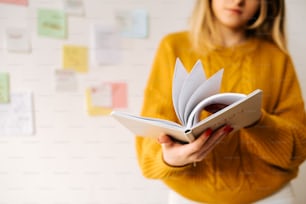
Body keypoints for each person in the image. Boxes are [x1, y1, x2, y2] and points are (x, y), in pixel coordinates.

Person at [135, 0, 306, 203]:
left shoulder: (277, 57)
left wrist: (256, 120)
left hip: (269, 197)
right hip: (190, 197)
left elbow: (297, 150)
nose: (237, 1)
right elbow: (149, 141)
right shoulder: (173, 46)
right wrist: (168, 159)